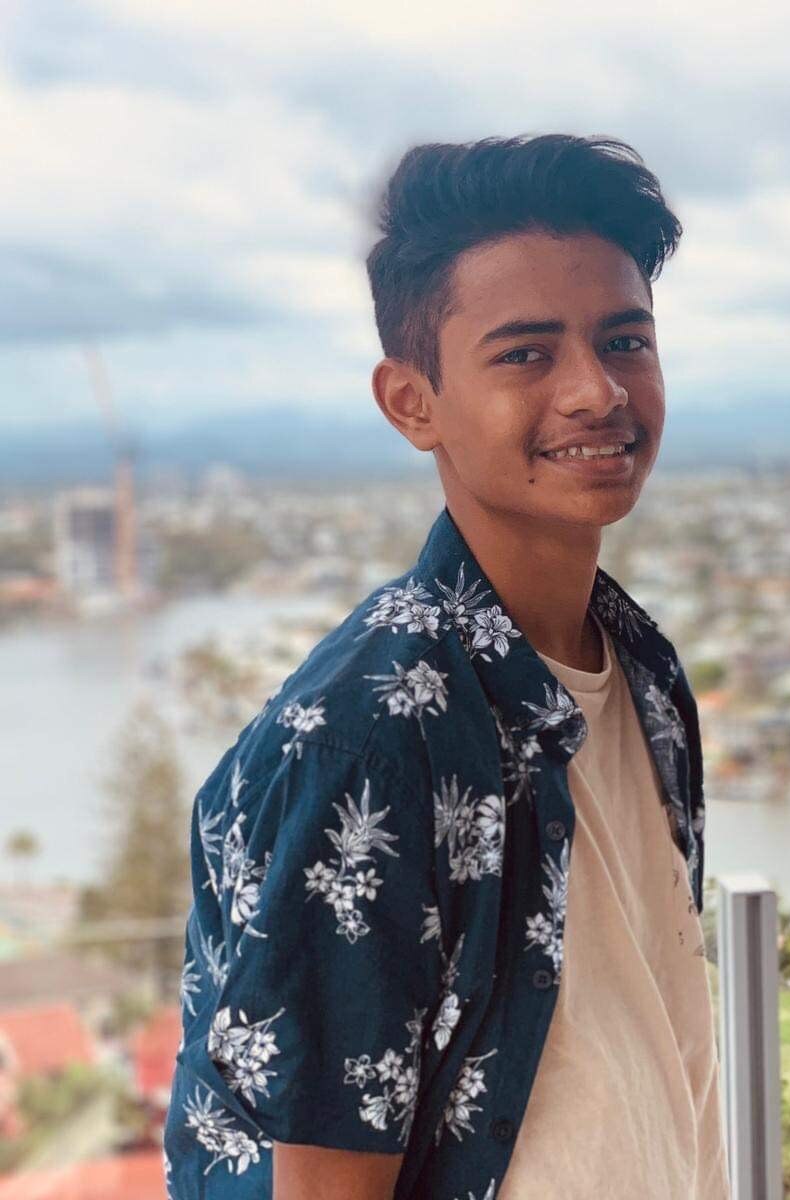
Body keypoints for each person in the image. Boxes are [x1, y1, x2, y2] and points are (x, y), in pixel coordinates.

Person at [162, 133, 727, 1200]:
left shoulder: (640, 669)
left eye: (625, 341)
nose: (596, 392)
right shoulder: (381, 726)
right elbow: (323, 1180)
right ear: (411, 402)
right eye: (525, 353)